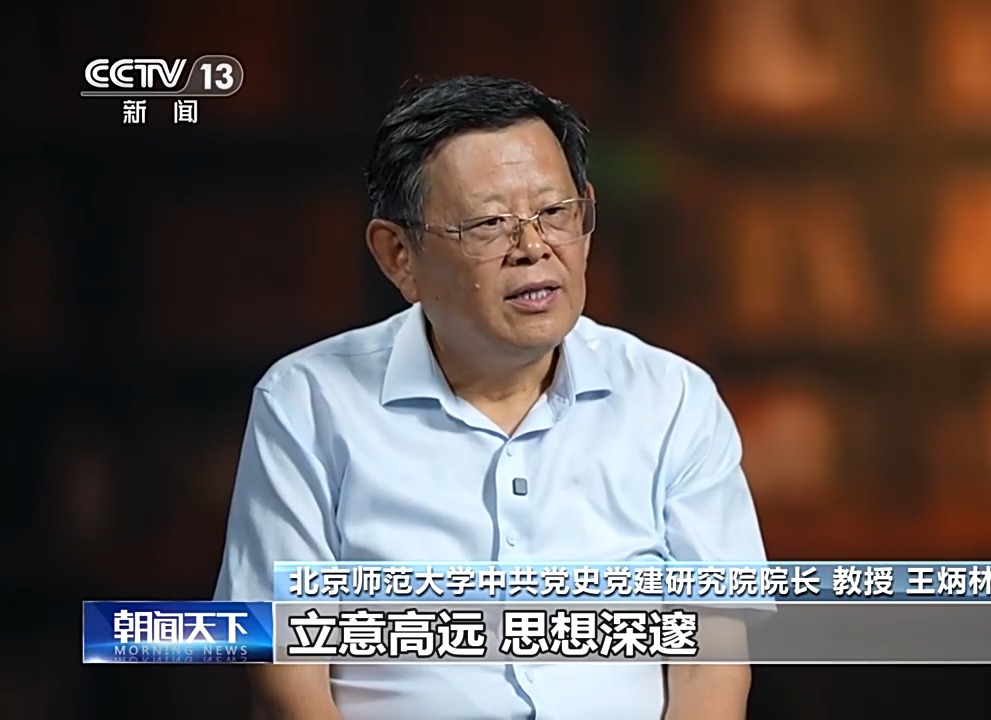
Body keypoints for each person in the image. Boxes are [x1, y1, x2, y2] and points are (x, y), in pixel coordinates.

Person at [214, 75, 768, 720]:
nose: (533, 249)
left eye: (556, 213)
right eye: (488, 224)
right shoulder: (307, 402)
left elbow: (715, 655)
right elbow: (283, 670)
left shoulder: (673, 399)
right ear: (399, 256)